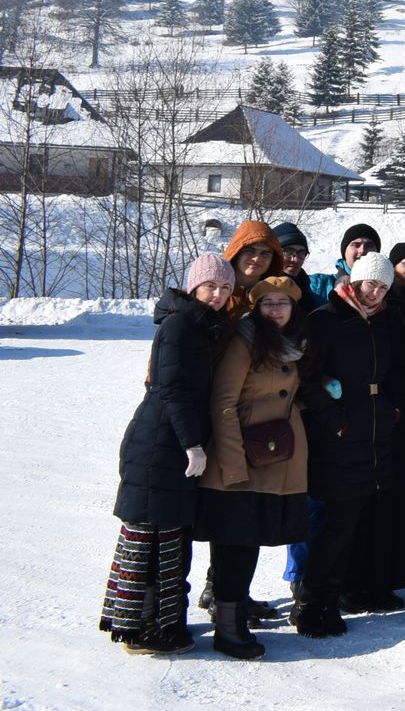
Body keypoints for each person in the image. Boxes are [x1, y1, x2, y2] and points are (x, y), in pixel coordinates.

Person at [101, 251, 233, 655]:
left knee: (168, 537)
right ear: (194, 286)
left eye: (225, 288)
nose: (217, 294)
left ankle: (163, 625)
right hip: (161, 443)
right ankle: (142, 630)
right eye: (210, 286)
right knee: (152, 537)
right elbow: (171, 388)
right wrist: (191, 443)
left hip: (172, 441)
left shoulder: (202, 326)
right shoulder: (180, 325)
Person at [194, 274, 309, 659]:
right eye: (268, 303)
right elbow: (223, 403)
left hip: (275, 455)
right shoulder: (244, 340)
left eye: (283, 303)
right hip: (242, 457)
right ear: (255, 309)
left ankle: (234, 618)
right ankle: (228, 628)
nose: (276, 310)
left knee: (248, 541)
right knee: (236, 544)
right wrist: (232, 464)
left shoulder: (293, 344)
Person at [293, 252, 402, 638]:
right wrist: (335, 421)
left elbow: (389, 376)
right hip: (338, 437)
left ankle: (329, 599)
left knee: (351, 524)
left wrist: (390, 412)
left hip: (372, 436)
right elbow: (305, 379)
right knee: (338, 524)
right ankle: (308, 602)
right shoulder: (326, 319)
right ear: (355, 281)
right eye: (371, 283)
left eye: (384, 286)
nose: (376, 292)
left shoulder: (382, 321)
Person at [340, 240, 405, 613]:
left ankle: (386, 578)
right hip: (366, 416)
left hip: (403, 414)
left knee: (396, 502)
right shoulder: (370, 312)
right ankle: (351, 581)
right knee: (360, 501)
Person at [222, 221, 284, 319]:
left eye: (265, 253)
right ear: (237, 253)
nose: (257, 258)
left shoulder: (278, 297)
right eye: (249, 251)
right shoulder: (215, 293)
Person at [271, 222, 312, 309]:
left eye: (301, 253)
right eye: (289, 251)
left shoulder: (305, 288)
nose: (295, 259)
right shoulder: (259, 291)